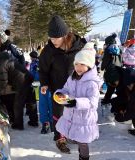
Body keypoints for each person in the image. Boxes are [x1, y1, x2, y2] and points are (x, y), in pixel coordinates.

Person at [39, 15, 85, 153]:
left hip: (76, 88)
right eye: (51, 38)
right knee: (59, 114)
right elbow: (43, 69)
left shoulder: (79, 47)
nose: (52, 41)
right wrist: (44, 84)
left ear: (64, 35)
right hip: (58, 89)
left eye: (55, 38)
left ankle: (73, 134)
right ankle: (60, 138)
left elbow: (88, 65)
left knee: (75, 113)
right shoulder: (49, 51)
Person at [54, 43, 101, 159]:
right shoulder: (72, 78)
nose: (79, 67)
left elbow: (93, 103)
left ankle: (84, 157)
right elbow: (65, 88)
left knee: (83, 142)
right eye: (76, 64)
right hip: (71, 116)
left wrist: (76, 102)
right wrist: (60, 93)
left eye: (82, 64)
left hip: (84, 119)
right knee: (75, 136)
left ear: (89, 66)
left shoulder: (92, 83)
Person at [0, 52, 38, 130]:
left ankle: (18, 125)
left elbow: (3, 82)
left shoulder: (0, 66)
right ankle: (34, 121)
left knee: (18, 105)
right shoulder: (7, 60)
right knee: (31, 101)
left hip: (21, 82)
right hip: (28, 77)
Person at [103, 66, 135, 136]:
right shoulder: (116, 75)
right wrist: (107, 100)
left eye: (114, 83)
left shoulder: (129, 82)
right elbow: (111, 88)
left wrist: (120, 118)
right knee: (117, 103)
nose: (113, 85)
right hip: (128, 97)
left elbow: (132, 110)